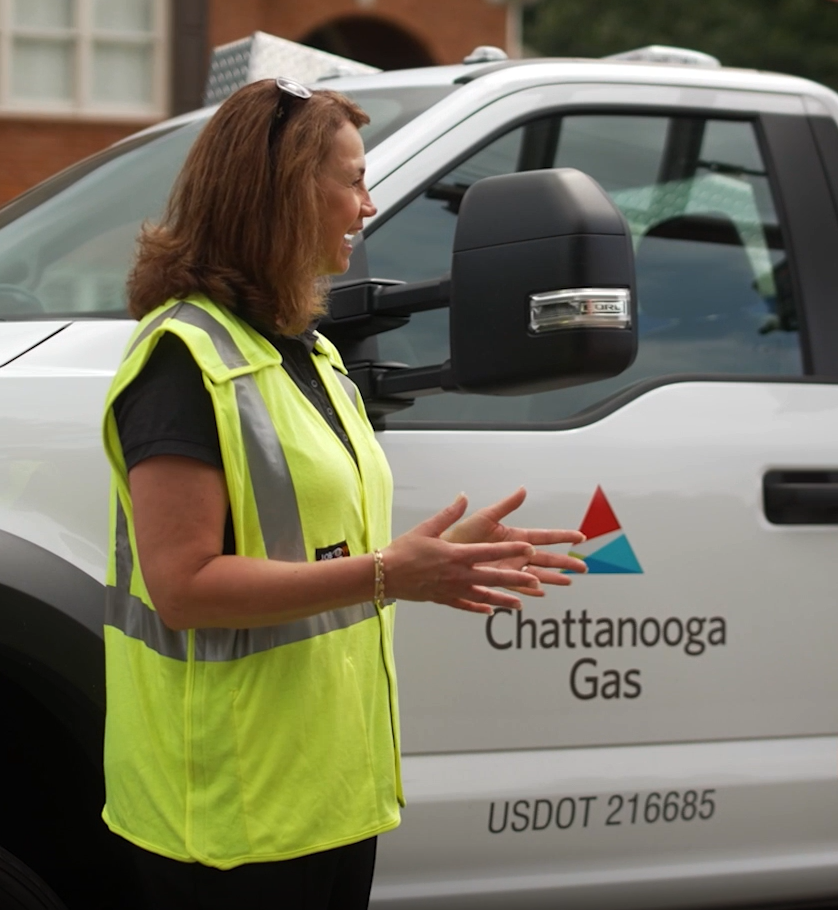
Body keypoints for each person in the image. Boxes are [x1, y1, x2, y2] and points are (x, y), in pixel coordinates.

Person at [100, 77, 586, 910]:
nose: (368, 206)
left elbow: (321, 555)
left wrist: (423, 563)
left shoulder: (311, 357)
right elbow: (182, 589)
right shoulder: (186, 359)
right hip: (224, 822)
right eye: (353, 181)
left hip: (324, 801)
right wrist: (388, 575)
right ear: (285, 191)